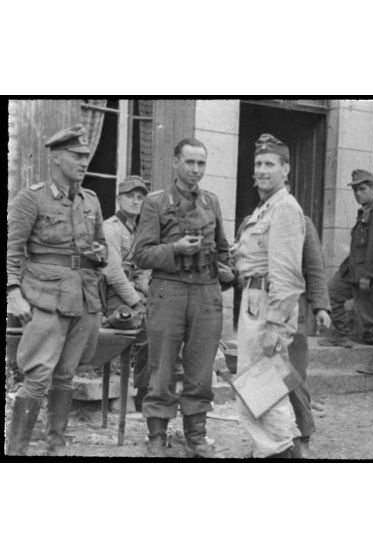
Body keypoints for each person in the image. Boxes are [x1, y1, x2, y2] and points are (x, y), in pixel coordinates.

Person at [6, 124, 107, 455]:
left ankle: (55, 448)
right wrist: (13, 291)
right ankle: (16, 452)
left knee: (66, 377)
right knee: (37, 377)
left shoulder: (90, 200)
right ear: (57, 158)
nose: (83, 162)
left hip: (83, 298)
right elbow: (12, 250)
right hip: (46, 298)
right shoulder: (31, 198)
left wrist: (99, 255)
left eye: (86, 156)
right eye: (77, 156)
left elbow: (101, 249)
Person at [132, 138, 234, 457]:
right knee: (161, 366)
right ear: (175, 163)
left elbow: (222, 249)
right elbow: (140, 254)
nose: (195, 169)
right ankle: (157, 438)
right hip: (169, 289)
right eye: (189, 162)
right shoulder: (155, 202)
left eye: (201, 163)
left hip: (206, 291)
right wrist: (175, 250)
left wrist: (227, 268)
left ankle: (196, 436)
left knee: (201, 367)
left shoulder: (212, 202)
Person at [232, 133, 305, 459]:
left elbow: (287, 275)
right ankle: (268, 451)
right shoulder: (266, 208)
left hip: (268, 303)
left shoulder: (286, 208)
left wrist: (275, 325)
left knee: (265, 385)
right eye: (258, 164)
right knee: (256, 385)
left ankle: (278, 453)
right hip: (255, 298)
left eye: (270, 164)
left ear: (285, 170)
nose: (262, 170)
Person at [321, 170, 373, 365]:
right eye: (355, 190)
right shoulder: (366, 211)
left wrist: (368, 275)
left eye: (362, 189)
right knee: (331, 292)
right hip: (353, 271)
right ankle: (341, 334)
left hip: (370, 274)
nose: (358, 194)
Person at [102, 175, 150, 411]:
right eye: (130, 196)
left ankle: (143, 393)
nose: (135, 201)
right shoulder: (111, 228)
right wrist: (137, 302)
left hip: (133, 293)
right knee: (135, 333)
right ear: (119, 198)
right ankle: (120, 396)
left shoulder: (138, 230)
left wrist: (146, 293)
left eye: (140, 197)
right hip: (113, 297)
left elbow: (141, 267)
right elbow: (113, 272)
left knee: (155, 333)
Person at [288, 215, 331, 457]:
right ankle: (270, 441)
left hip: (293, 308)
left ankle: (303, 436)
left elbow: (315, 266)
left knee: (292, 375)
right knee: (263, 375)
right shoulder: (255, 221)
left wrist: (321, 307)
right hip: (260, 309)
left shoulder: (301, 223)